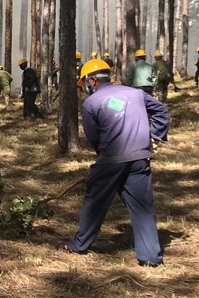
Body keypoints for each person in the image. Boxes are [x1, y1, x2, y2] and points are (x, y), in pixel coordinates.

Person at [61, 59, 170, 267]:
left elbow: (93, 137)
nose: (85, 88)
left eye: (85, 84)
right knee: (143, 207)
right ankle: (151, 257)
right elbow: (161, 111)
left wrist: (106, 156)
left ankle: (79, 245)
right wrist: (154, 137)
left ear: (92, 81)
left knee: (94, 202)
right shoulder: (136, 93)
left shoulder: (91, 103)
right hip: (140, 158)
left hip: (111, 159)